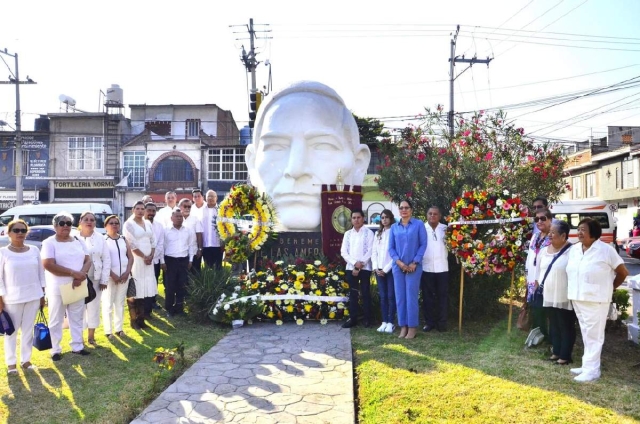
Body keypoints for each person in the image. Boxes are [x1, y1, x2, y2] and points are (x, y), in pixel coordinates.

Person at [246, 81, 371, 231]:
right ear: (252, 164)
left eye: (323, 146)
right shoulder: (241, 250)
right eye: (277, 147)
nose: (296, 170)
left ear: (358, 164)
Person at [566, 218, 628, 382]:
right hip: (577, 297)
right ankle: (587, 366)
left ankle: (593, 370)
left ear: (593, 233)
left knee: (594, 335)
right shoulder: (574, 249)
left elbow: (623, 272)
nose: (579, 232)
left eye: (583, 230)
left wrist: (611, 287)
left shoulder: (606, 250)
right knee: (586, 333)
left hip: (596, 300)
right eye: (578, 229)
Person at [41, 212, 92, 360]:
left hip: (78, 284)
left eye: (68, 223)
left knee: (76, 317)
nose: (65, 226)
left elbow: (88, 260)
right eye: (62, 223)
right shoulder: (49, 242)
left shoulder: (78, 239)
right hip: (58, 287)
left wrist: (81, 274)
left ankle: (77, 346)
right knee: (56, 319)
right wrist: (73, 273)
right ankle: (55, 349)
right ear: (55, 226)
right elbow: (48, 264)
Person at [0, 220, 46, 373]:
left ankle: (25, 360)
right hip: (11, 299)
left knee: (28, 330)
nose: (20, 233)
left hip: (33, 296)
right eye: (16, 230)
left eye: (23, 230)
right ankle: (11, 363)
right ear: (9, 233)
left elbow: (41, 274)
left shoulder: (34, 250)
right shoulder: (3, 252)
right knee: (11, 332)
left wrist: (42, 295)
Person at [389, 200, 427, 340]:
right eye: (401, 208)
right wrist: (399, 263)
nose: (404, 210)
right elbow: (391, 248)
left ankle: (412, 327)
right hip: (398, 267)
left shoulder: (419, 225)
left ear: (411, 210)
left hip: (414, 267)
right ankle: (403, 326)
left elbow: (423, 245)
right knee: (400, 297)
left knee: (411, 297)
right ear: (399, 210)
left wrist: (414, 262)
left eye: (406, 208)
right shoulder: (394, 227)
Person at [539, 220, 576, 365]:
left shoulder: (573, 251)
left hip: (564, 296)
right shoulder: (544, 251)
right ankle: (556, 352)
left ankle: (565, 356)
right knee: (553, 324)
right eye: (550, 232)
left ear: (563, 236)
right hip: (548, 295)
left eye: (553, 233)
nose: (550, 235)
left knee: (565, 325)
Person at [75, 211, 111, 346]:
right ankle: (79, 338)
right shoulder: (74, 237)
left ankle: (91, 336)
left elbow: (106, 259)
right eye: (86, 219)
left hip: (95, 278)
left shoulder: (100, 238)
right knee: (78, 308)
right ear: (80, 222)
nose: (89, 222)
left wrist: (104, 279)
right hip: (78, 279)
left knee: (93, 307)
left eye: (92, 220)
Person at [123, 201, 157, 329]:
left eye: (142, 209)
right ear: (133, 210)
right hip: (137, 259)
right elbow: (131, 244)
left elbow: (154, 240)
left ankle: (142, 319)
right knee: (135, 289)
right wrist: (144, 257)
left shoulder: (148, 223)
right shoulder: (129, 224)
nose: (140, 211)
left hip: (148, 261)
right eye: (137, 208)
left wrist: (151, 256)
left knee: (144, 290)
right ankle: (134, 320)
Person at [340, 209, 374, 329]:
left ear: (363, 218)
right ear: (351, 220)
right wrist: (355, 264)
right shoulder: (348, 234)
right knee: (353, 294)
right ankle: (353, 319)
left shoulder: (369, 233)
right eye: (354, 218)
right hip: (351, 268)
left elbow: (370, 251)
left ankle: (367, 319)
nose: (356, 220)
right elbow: (344, 252)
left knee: (365, 293)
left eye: (358, 217)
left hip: (365, 268)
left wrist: (360, 264)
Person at [102, 215, 133, 339]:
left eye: (116, 223)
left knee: (119, 303)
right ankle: (108, 331)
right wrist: (112, 275)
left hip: (124, 277)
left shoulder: (123, 239)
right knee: (108, 303)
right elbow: (102, 260)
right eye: (111, 223)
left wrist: (127, 272)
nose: (114, 225)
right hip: (110, 277)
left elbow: (130, 257)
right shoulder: (104, 240)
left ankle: (119, 328)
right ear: (106, 226)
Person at [161, 208, 196, 317]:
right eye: (177, 216)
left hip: (183, 260)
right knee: (170, 286)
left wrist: (190, 260)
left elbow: (191, 245)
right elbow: (161, 247)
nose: (179, 218)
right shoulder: (166, 230)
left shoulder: (188, 230)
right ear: (171, 218)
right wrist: (162, 262)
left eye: (180, 216)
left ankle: (180, 308)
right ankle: (169, 309)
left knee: (182, 285)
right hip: (170, 261)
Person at [420, 206, 449, 333]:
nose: (432, 216)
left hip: (442, 267)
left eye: (435, 214)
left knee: (442, 297)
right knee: (427, 297)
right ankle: (429, 322)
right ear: (426, 215)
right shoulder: (421, 229)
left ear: (440, 216)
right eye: (430, 213)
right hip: (426, 268)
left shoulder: (446, 229)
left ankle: (442, 323)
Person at [526, 208, 552, 340]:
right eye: (536, 219)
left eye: (543, 218)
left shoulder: (553, 236)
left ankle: (548, 337)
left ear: (550, 220)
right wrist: (528, 275)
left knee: (546, 309)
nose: (539, 221)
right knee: (536, 308)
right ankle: (539, 334)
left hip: (545, 280)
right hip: (532, 278)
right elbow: (530, 256)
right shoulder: (535, 236)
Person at [371, 209, 395, 333]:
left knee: (391, 296)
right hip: (378, 269)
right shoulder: (378, 233)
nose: (384, 219)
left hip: (389, 270)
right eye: (382, 217)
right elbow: (374, 252)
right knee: (383, 297)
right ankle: (384, 321)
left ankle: (391, 322)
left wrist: (385, 269)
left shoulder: (394, 232)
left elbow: (395, 254)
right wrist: (376, 267)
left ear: (391, 218)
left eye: (386, 217)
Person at [144, 202, 164, 309]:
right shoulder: (138, 224)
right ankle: (142, 303)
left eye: (153, 211)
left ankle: (152, 301)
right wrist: (145, 257)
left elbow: (160, 243)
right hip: (141, 260)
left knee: (154, 280)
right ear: (144, 211)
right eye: (149, 210)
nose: (151, 213)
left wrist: (152, 256)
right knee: (143, 281)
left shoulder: (159, 226)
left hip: (155, 260)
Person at [179, 198, 202, 273]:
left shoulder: (195, 219)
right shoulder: (176, 219)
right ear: (180, 207)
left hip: (194, 251)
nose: (187, 208)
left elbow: (199, 234)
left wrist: (200, 249)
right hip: (180, 252)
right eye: (185, 206)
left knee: (194, 275)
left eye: (189, 207)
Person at [201, 190, 223, 269]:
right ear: (205, 198)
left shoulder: (221, 210)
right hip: (205, 245)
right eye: (208, 196)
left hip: (217, 245)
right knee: (207, 269)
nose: (210, 198)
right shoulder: (201, 210)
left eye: (213, 196)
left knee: (218, 269)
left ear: (216, 198)